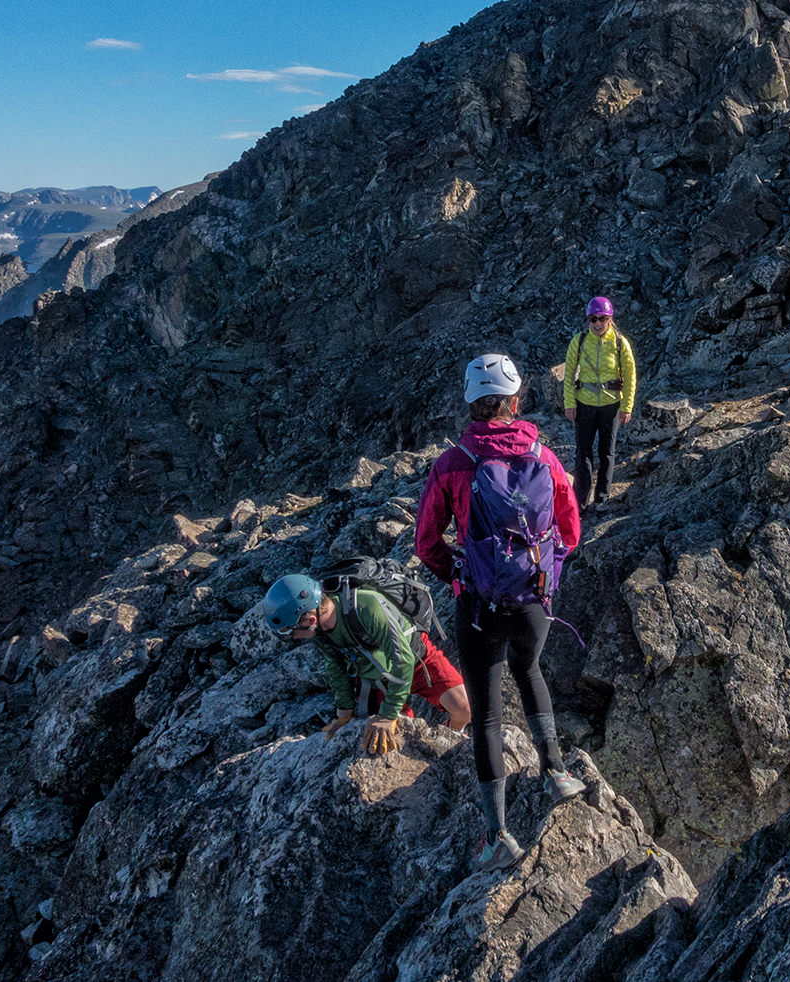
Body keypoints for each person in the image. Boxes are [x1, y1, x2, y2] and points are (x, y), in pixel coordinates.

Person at [414, 353, 587, 869]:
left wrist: (461, 575)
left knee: (486, 713)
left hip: (479, 603)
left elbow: (427, 544)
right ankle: (555, 771)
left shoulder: (452, 464)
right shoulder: (547, 456)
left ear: (470, 405)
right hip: (533, 596)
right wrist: (543, 567)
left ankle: (498, 839)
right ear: (516, 401)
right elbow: (572, 530)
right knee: (529, 669)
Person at [261, 572, 471, 756]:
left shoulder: (367, 607)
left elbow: (403, 660)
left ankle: (451, 740)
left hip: (415, 659)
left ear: (310, 619)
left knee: (464, 708)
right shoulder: (319, 632)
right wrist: (345, 712)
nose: (293, 638)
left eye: (290, 631)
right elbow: (336, 666)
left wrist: (388, 714)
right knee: (385, 740)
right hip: (372, 675)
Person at [563, 297, 637, 509]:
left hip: (611, 405)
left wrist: (627, 407)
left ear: (610, 319)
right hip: (584, 404)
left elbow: (630, 376)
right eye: (593, 319)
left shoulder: (620, 343)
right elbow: (569, 375)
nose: (597, 323)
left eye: (602, 319)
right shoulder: (578, 341)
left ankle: (602, 498)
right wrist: (570, 403)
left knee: (607, 452)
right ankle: (580, 502)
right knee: (583, 453)